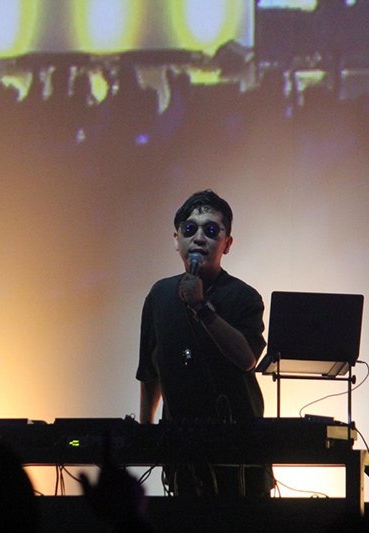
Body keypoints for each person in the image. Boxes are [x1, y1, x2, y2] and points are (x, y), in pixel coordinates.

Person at [136, 190, 271, 496]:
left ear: (227, 244)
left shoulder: (244, 297)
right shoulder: (160, 295)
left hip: (240, 453)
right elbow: (150, 371)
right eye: (189, 229)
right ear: (176, 240)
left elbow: (247, 358)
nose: (198, 238)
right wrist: (145, 431)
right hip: (181, 452)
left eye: (211, 230)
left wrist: (200, 306)